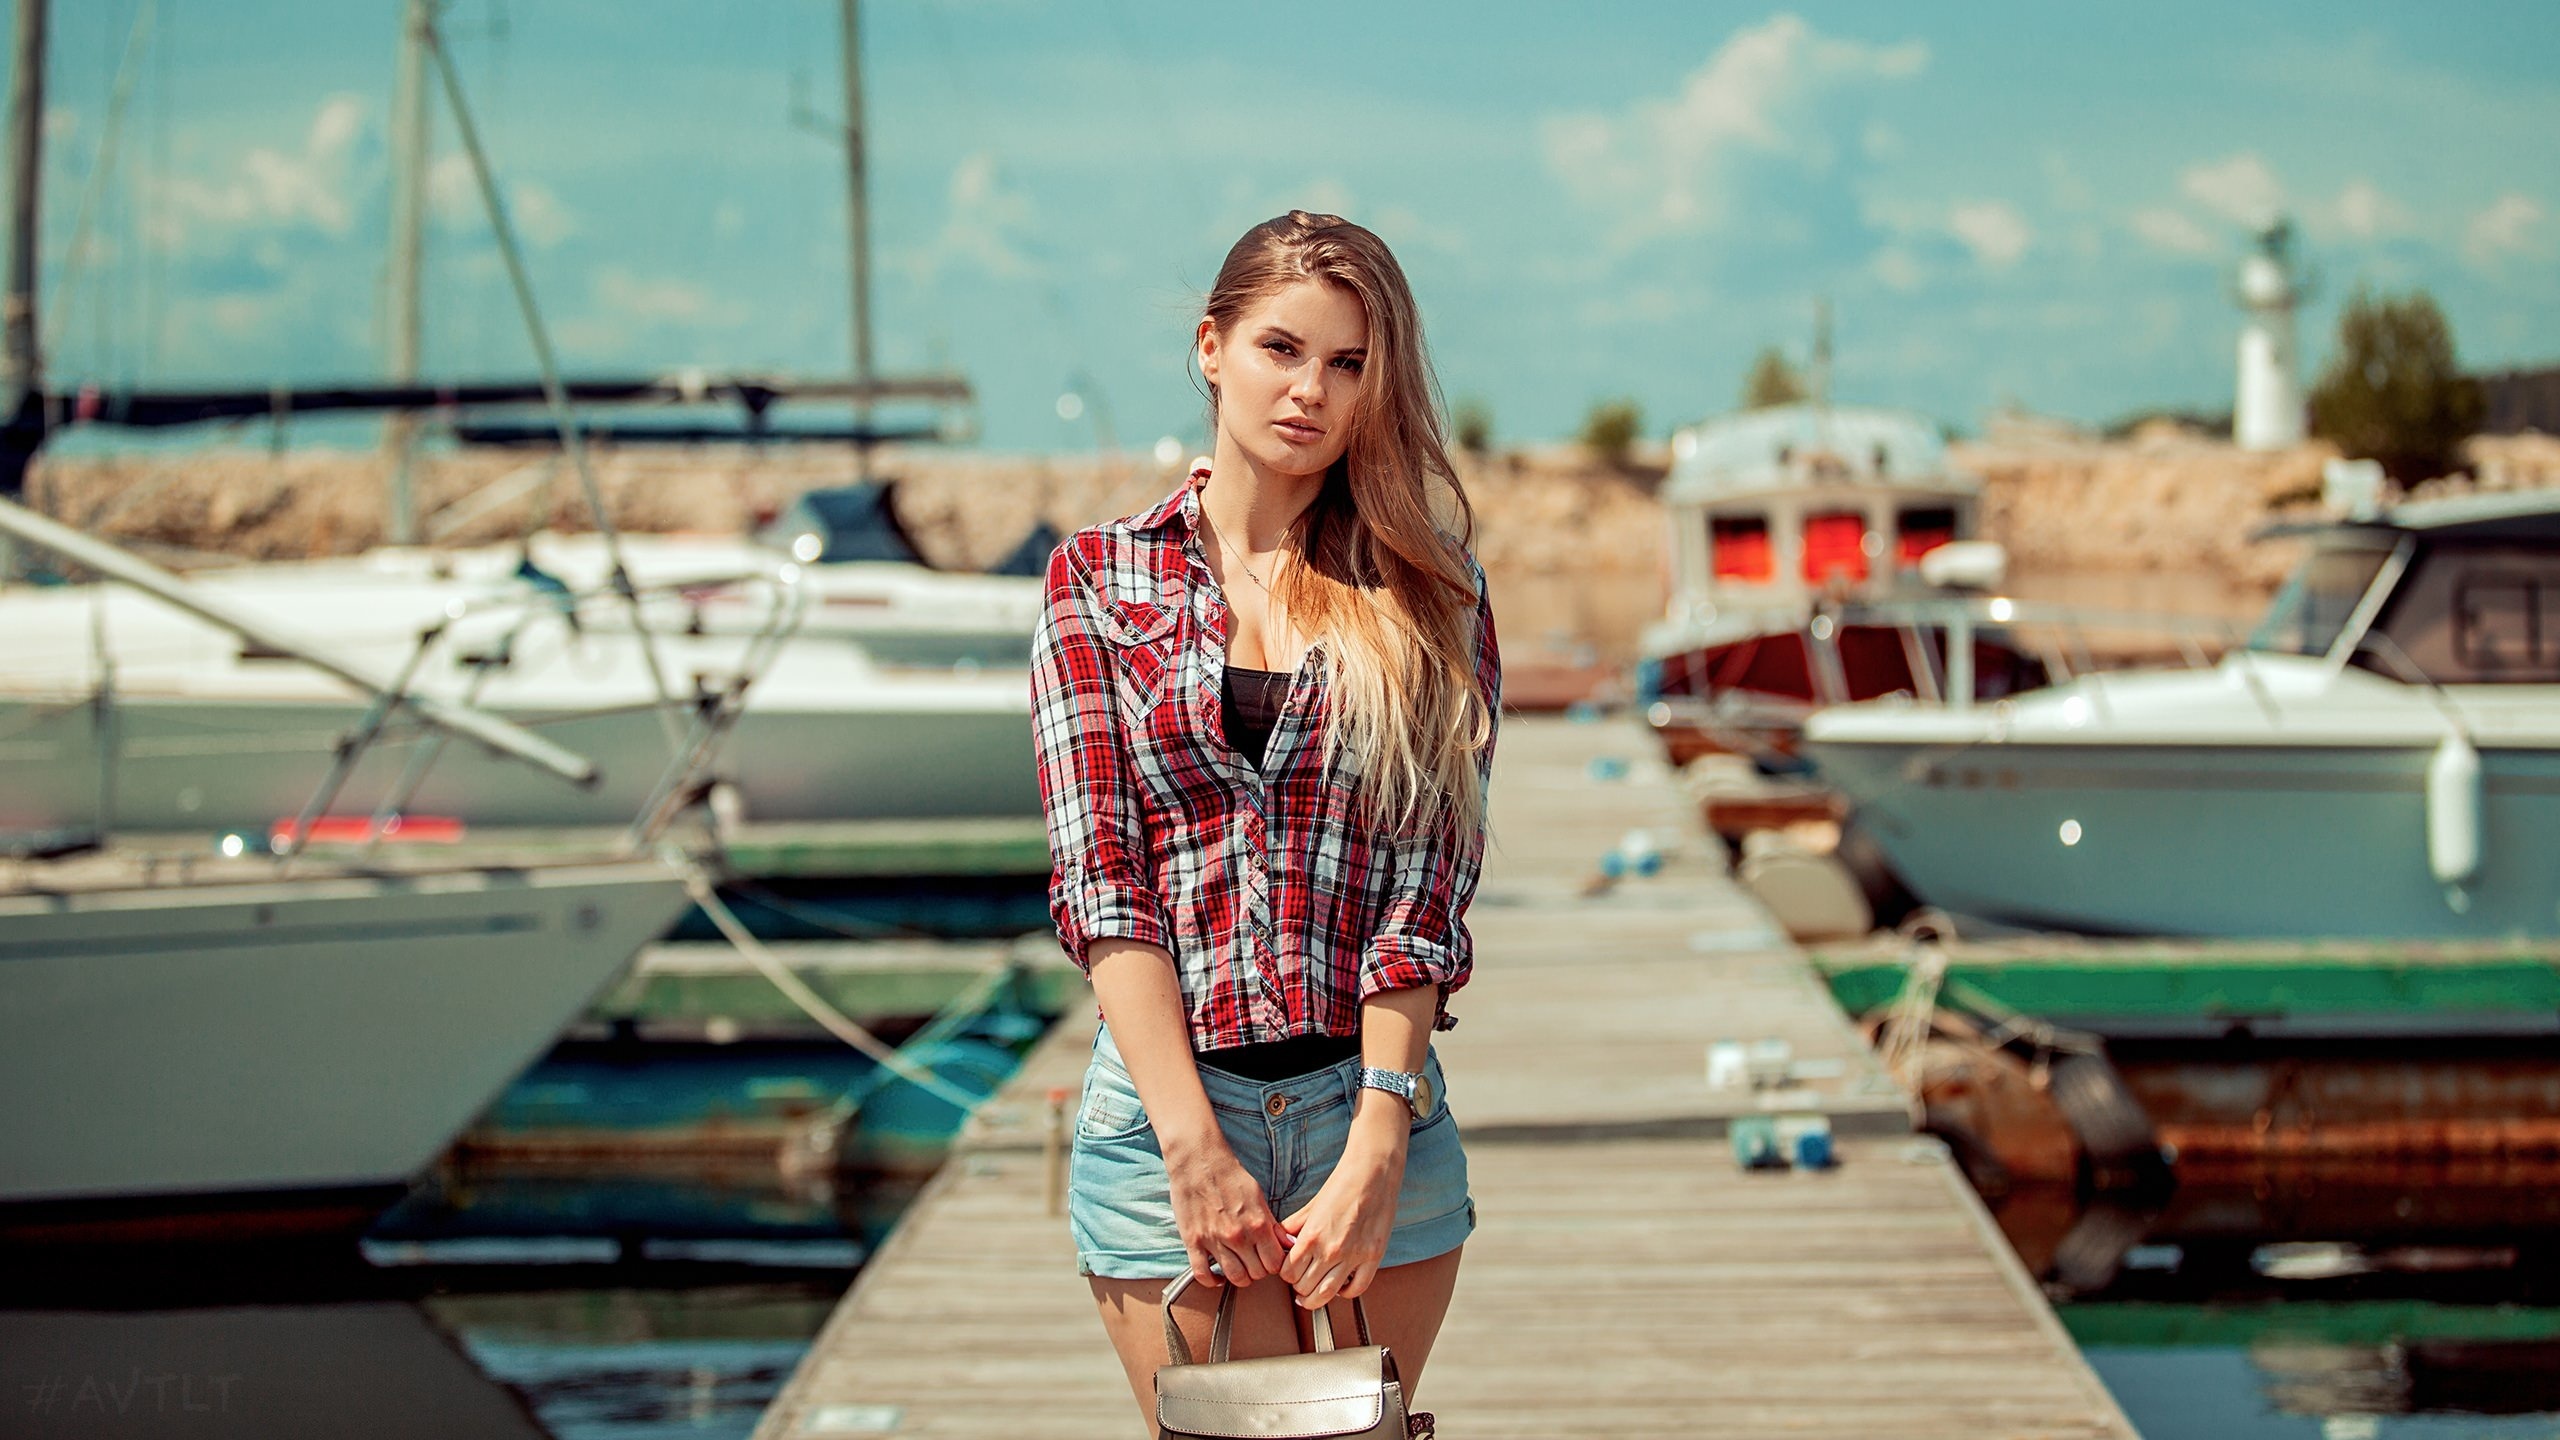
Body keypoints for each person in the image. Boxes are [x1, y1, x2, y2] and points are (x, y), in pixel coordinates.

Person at [1030, 210, 1500, 1430]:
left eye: (1350, 365)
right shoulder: (1097, 580)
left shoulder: (1430, 592)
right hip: (1164, 1126)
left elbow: (1424, 891)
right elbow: (1102, 883)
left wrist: (1377, 1150)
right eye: (1281, 349)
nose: (1312, 393)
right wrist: (1194, 1149)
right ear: (1210, 347)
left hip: (1371, 1111)